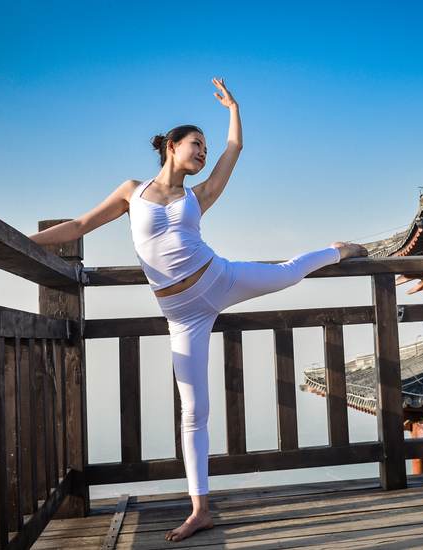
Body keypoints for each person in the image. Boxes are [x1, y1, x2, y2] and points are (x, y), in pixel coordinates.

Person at [29, 78, 366, 542]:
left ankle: (338, 251)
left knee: (288, 272)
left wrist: (234, 107)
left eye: (205, 148)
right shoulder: (133, 191)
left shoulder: (198, 195)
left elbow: (235, 149)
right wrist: (24, 242)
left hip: (220, 279)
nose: (203, 153)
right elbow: (82, 224)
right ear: (171, 147)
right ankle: (200, 509)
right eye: (195, 145)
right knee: (194, 410)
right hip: (183, 314)